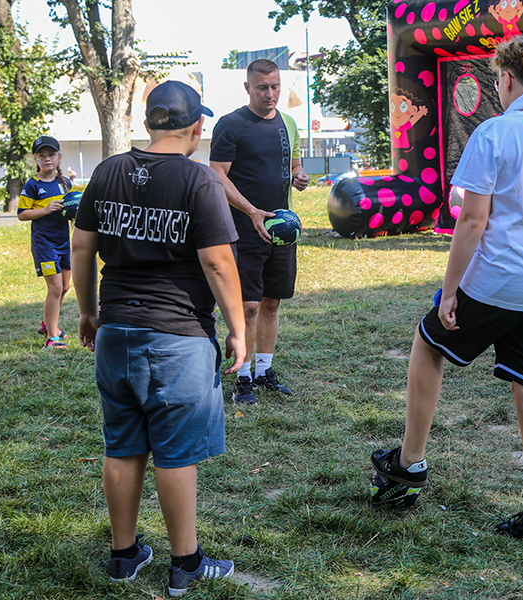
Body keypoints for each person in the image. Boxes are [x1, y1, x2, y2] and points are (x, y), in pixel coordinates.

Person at [368, 33, 523, 546]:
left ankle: (410, 462)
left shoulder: (494, 133)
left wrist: (450, 288)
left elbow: (472, 221)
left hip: (496, 280)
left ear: (504, 79)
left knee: (427, 341)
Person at [71, 80, 246, 596]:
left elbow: (81, 247)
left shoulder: (107, 171)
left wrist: (87, 311)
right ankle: (185, 563)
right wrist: (239, 329)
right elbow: (217, 261)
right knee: (175, 452)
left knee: (122, 445)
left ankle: (124, 556)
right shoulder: (199, 181)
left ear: (148, 124)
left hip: (116, 332)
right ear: (197, 128)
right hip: (176, 337)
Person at [210, 58, 310, 405]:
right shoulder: (231, 125)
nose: (270, 94)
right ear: (247, 87)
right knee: (249, 305)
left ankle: (264, 371)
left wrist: (300, 176)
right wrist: (252, 212)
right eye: (263, 87)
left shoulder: (289, 123)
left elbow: (294, 163)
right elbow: (217, 175)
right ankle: (242, 378)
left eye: (276, 86)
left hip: (282, 229)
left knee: (272, 302)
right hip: (242, 227)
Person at [18, 135, 73, 349]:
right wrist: (45, 210)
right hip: (44, 244)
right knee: (56, 288)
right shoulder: (32, 185)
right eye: (42, 156)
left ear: (59, 157)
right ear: (36, 160)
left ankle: (48, 324)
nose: (47, 159)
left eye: (51, 154)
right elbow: (22, 214)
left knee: (66, 286)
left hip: (64, 243)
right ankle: (52, 337)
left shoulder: (65, 183)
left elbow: (69, 209)